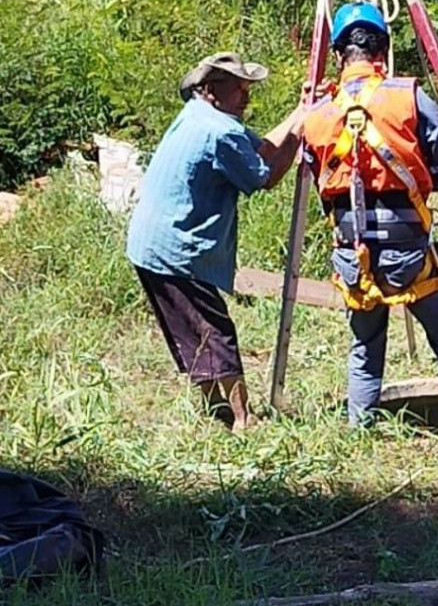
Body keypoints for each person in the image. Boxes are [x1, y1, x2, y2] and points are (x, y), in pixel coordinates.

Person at [298, 0, 438, 425]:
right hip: (409, 254)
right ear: (383, 50)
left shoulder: (319, 114)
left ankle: (359, 431)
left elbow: (315, 173)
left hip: (352, 256)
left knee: (364, 349)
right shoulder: (408, 98)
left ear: (340, 54)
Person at [126, 52, 306, 430]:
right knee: (212, 329)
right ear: (210, 90)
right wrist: (301, 132)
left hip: (152, 243)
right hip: (173, 248)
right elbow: (265, 175)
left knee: (192, 329)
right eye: (238, 87)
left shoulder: (203, 116)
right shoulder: (217, 131)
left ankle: (216, 409)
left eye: (247, 87)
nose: (246, 96)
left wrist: (300, 112)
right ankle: (243, 419)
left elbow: (259, 150)